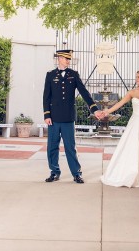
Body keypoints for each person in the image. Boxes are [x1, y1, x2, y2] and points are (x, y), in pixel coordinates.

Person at [43, 49, 103, 184]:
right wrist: (47, 114)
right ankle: (54, 172)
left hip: (68, 117)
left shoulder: (73, 74)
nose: (68, 61)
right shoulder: (50, 75)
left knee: (70, 147)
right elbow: (46, 96)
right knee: (52, 146)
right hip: (53, 117)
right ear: (59, 58)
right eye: (65, 58)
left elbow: (84, 92)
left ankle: (76, 173)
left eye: (69, 59)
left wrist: (94, 109)